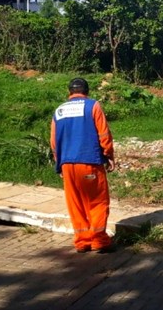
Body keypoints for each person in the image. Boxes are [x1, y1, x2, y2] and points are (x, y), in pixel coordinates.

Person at [50, 78, 116, 253]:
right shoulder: (93, 106)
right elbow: (103, 134)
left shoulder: (59, 110)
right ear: (87, 91)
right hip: (89, 162)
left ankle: (82, 241)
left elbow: (54, 142)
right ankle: (99, 241)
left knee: (76, 203)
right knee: (98, 201)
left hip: (67, 164)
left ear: (69, 92)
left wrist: (60, 165)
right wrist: (108, 155)